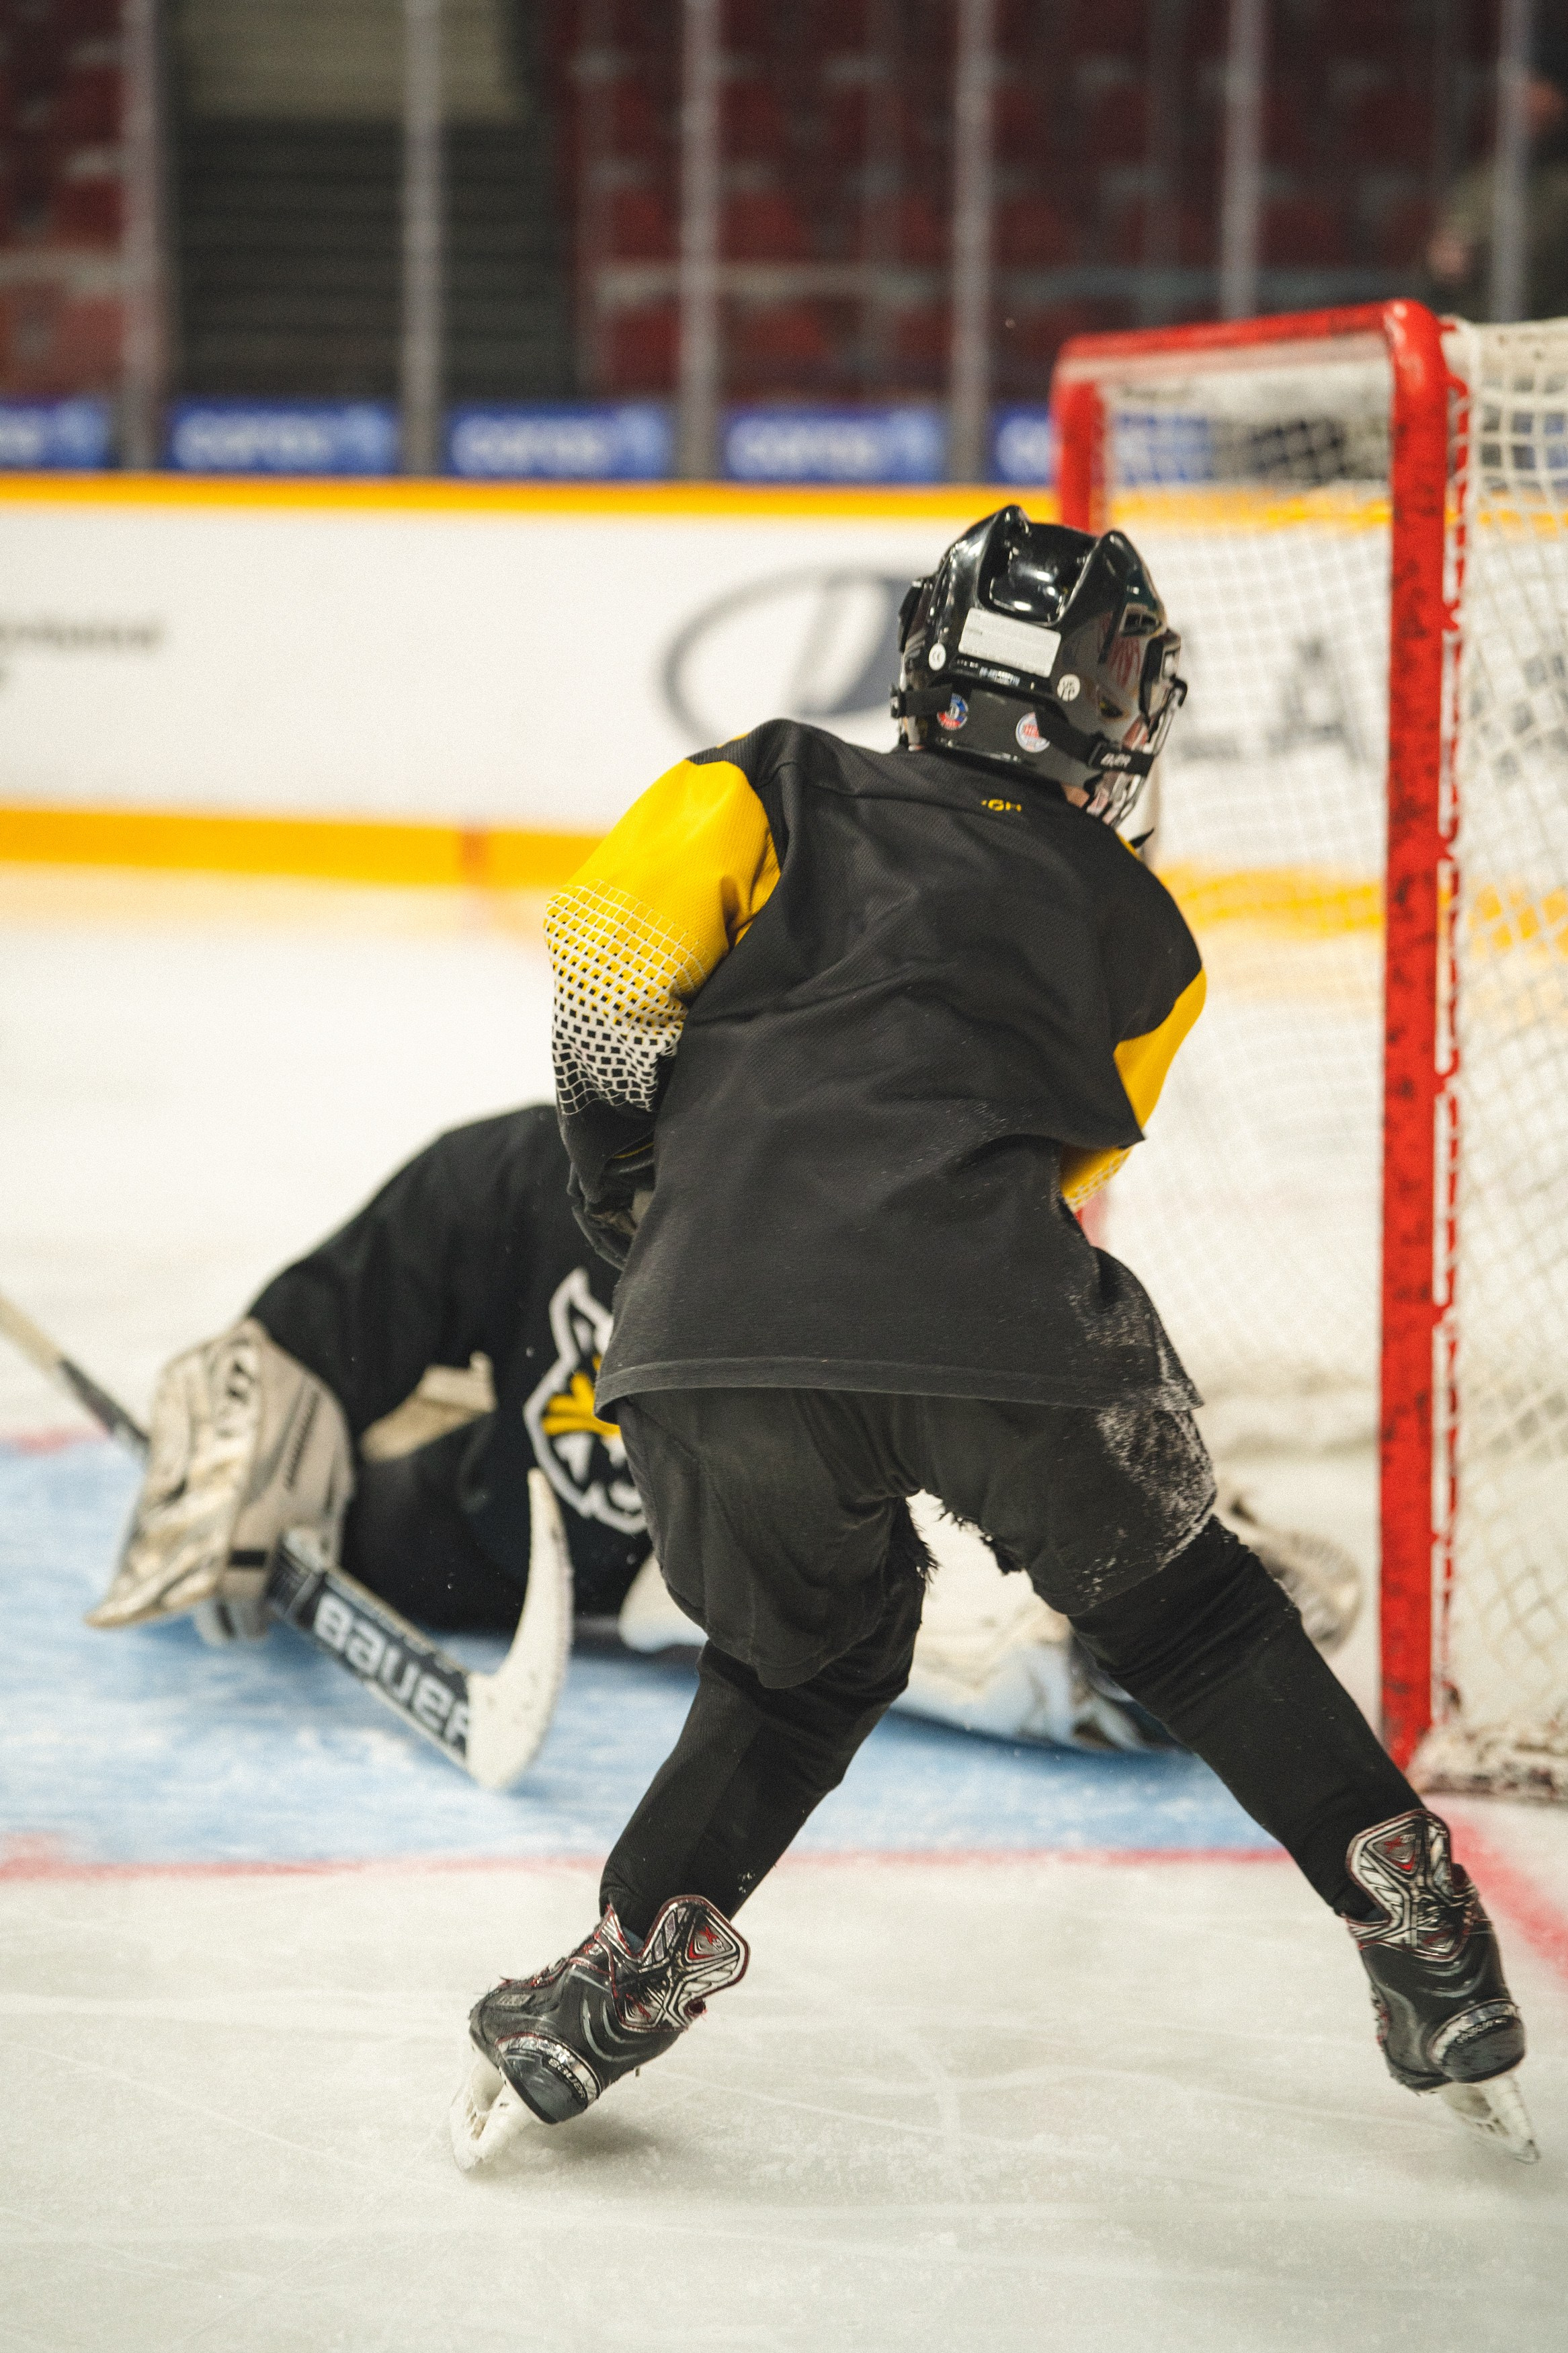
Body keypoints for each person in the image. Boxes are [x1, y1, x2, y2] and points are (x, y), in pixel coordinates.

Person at [452, 506, 1536, 2169]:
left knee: (798, 1673)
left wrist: (629, 1204)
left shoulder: (769, 781)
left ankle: (620, 1975)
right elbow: (1064, 1164)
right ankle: (1402, 1893)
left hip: (705, 1339)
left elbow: (604, 973)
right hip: (1002, 1324)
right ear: (1121, 713)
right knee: (1196, 1623)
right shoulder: (1145, 933)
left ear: (924, 660)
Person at [1428, 36, 1568, 320]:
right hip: (1482, 340)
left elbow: (1541, 265)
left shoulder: (1558, 183)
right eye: (1515, 87)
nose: (1519, 98)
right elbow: (1435, 271)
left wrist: (1481, 253)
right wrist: (1439, 263)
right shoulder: (1484, 179)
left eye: (1534, 85)